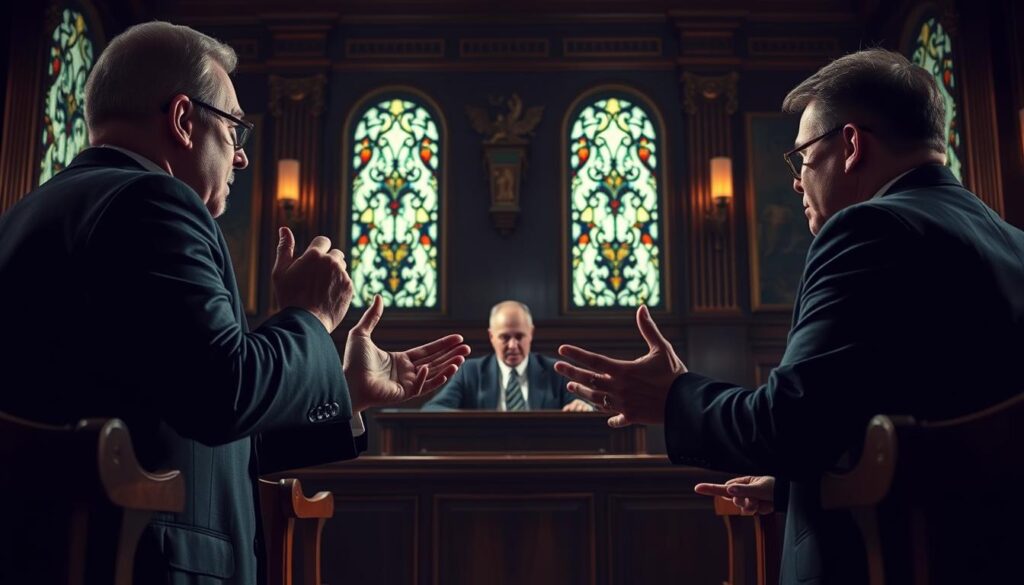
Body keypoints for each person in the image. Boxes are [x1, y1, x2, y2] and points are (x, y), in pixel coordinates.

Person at [0, 22, 469, 584]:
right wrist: (311, 318)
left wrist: (344, 393)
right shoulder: (155, 201)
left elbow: (188, 422)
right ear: (182, 119)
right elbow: (225, 392)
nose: (242, 158)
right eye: (233, 131)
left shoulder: (25, 216)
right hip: (143, 564)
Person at [553, 48, 1024, 584]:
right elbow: (929, 427)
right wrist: (791, 487)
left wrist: (671, 397)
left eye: (801, 156)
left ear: (850, 145)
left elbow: (789, 423)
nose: (798, 181)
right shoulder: (1013, 243)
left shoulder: (867, 231)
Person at [423, 301, 591, 411]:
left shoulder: (556, 371)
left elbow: (587, 407)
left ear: (531, 333)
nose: (512, 345)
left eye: (519, 336)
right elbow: (432, 409)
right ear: (491, 336)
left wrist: (582, 407)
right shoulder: (470, 372)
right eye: (505, 337)